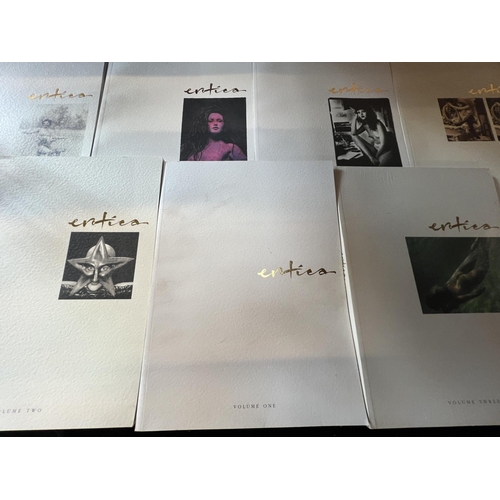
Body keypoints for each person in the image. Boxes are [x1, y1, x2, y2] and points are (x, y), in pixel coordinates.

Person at [426, 238, 490, 313]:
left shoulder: (453, 300)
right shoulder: (447, 285)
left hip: (463, 285)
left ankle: (481, 246)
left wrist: (476, 294)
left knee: (484, 266)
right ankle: (476, 246)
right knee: (474, 254)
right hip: (455, 278)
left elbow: (463, 299)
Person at [59, 236, 134, 299]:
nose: (95, 278)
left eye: (104, 268)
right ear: (83, 267)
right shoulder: (66, 288)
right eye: (90, 268)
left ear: (113, 268)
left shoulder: (122, 290)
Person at [181, 105, 247, 161]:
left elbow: (246, 167)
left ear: (224, 124)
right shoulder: (195, 147)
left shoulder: (230, 147)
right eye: (211, 121)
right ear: (205, 124)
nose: (215, 123)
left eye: (219, 121)